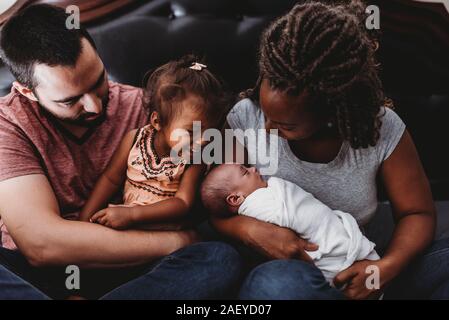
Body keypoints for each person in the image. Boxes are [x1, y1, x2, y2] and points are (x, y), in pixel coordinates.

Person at [0, 4, 240, 299]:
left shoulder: (151, 110)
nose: (95, 106)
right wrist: (180, 241)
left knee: (217, 259)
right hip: (38, 273)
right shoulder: (8, 125)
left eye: (99, 80)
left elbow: (213, 182)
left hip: (129, 264)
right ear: (26, 91)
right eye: (70, 100)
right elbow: (41, 244)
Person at [211, 1, 449, 299]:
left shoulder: (381, 127)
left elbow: (418, 213)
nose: (268, 128)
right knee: (277, 287)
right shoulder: (246, 116)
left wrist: (384, 269)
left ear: (332, 114)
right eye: (267, 114)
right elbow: (216, 203)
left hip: (357, 261)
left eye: (286, 125)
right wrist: (249, 231)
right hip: (288, 271)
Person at [80, 56, 230, 230]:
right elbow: (110, 179)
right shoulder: (134, 140)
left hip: (166, 233)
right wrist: (84, 220)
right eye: (191, 132)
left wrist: (133, 214)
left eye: (210, 131)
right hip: (124, 227)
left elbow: (183, 202)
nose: (203, 140)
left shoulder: (195, 158)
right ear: (157, 121)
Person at [201, 163, 379, 284]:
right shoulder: (257, 204)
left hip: (338, 240)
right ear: (235, 198)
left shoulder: (256, 194)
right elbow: (286, 217)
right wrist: (250, 229)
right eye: (246, 172)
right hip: (326, 256)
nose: (254, 168)